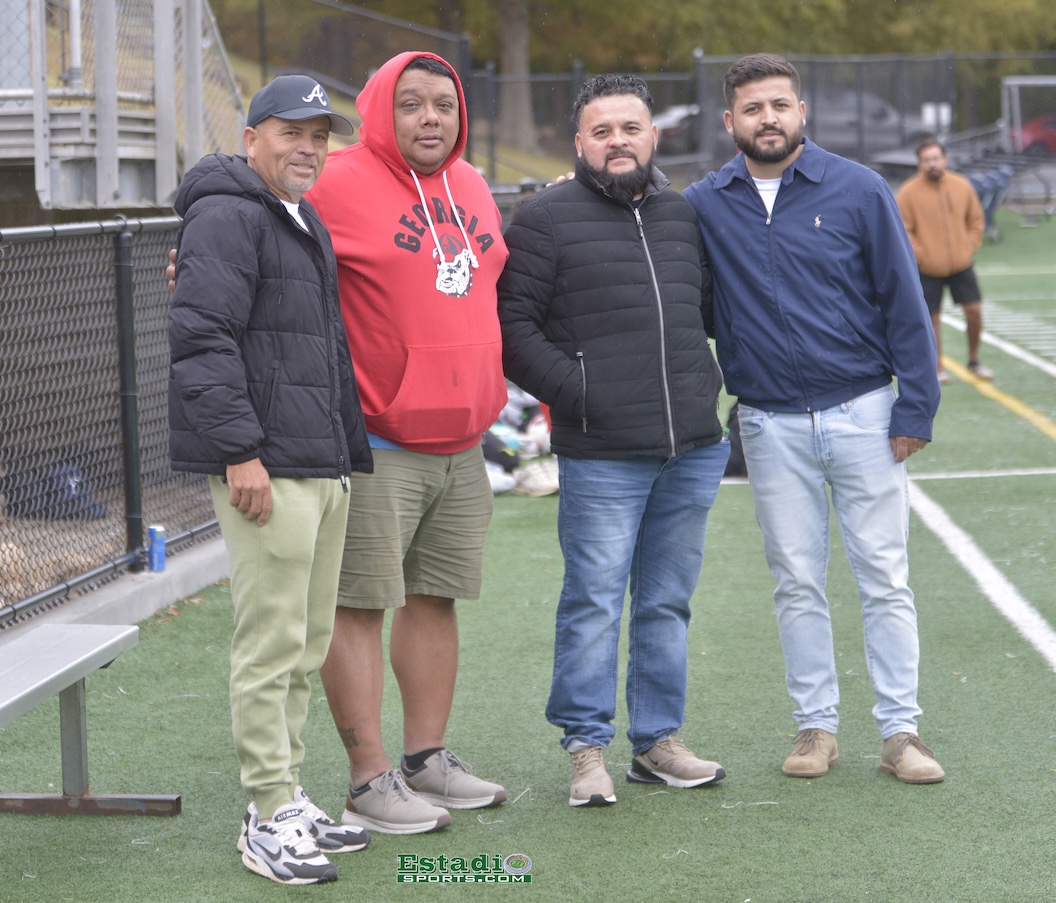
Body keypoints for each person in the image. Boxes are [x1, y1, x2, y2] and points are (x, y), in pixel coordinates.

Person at [684, 53, 946, 784]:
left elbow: (904, 300)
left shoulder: (859, 188)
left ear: (802, 112)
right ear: (729, 121)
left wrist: (916, 404)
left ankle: (901, 732)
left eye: (779, 105)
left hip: (865, 413)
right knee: (796, 580)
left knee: (884, 576)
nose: (767, 118)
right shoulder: (703, 203)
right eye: (752, 108)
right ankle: (816, 728)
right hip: (769, 425)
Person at [498, 74, 730, 807]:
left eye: (630, 128)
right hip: (601, 452)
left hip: (692, 448)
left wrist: (704, 393)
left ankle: (657, 742)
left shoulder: (681, 214)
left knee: (666, 602)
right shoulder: (544, 218)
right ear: (579, 143)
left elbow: (704, 311)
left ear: (652, 136)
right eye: (602, 131)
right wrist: (584, 394)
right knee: (594, 602)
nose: (618, 141)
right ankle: (586, 749)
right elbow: (513, 331)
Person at [168, 75, 374, 884]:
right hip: (267, 466)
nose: (309, 148)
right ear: (252, 137)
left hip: (317, 461)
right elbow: (202, 338)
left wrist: (342, 454)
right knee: (271, 643)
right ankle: (265, 811)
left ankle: (287, 792)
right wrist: (240, 451)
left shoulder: (296, 215)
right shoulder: (227, 213)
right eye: (293, 132)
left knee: (306, 641)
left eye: (320, 136)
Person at [305, 52, 509, 833]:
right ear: (380, 109)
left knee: (435, 596)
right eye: (413, 103)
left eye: (445, 105)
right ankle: (369, 777)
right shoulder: (335, 181)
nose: (431, 118)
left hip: (462, 440)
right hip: (377, 437)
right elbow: (255, 231)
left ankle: (426, 758)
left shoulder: (473, 184)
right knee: (359, 603)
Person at [897, 139, 993, 384]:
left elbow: (976, 221)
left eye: (936, 158)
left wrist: (967, 247)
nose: (932, 164)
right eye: (927, 160)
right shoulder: (908, 192)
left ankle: (974, 360)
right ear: (919, 164)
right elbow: (904, 230)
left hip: (961, 265)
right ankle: (938, 367)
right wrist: (922, 255)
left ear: (945, 160)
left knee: (974, 311)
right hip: (927, 269)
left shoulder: (962, 185)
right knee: (931, 320)